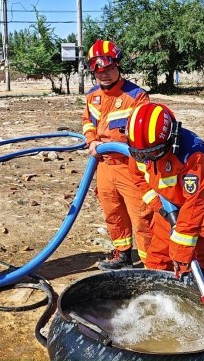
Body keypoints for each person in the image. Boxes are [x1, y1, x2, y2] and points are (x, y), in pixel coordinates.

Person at [125, 102, 204, 277]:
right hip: (167, 203)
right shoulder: (142, 149)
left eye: (153, 154)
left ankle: (197, 292)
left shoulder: (192, 156)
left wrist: (182, 254)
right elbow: (138, 175)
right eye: (140, 155)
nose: (146, 159)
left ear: (171, 139)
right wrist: (160, 206)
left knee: (196, 252)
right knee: (158, 256)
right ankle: (158, 296)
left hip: (200, 202)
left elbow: (195, 206)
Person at [81, 39, 153, 270]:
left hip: (130, 166)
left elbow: (144, 132)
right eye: (99, 71)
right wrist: (91, 140)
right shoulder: (93, 96)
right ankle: (122, 255)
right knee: (113, 212)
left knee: (142, 216)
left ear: (118, 66)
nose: (105, 75)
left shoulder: (136, 96)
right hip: (103, 164)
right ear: (93, 71)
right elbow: (87, 121)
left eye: (109, 69)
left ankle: (152, 263)